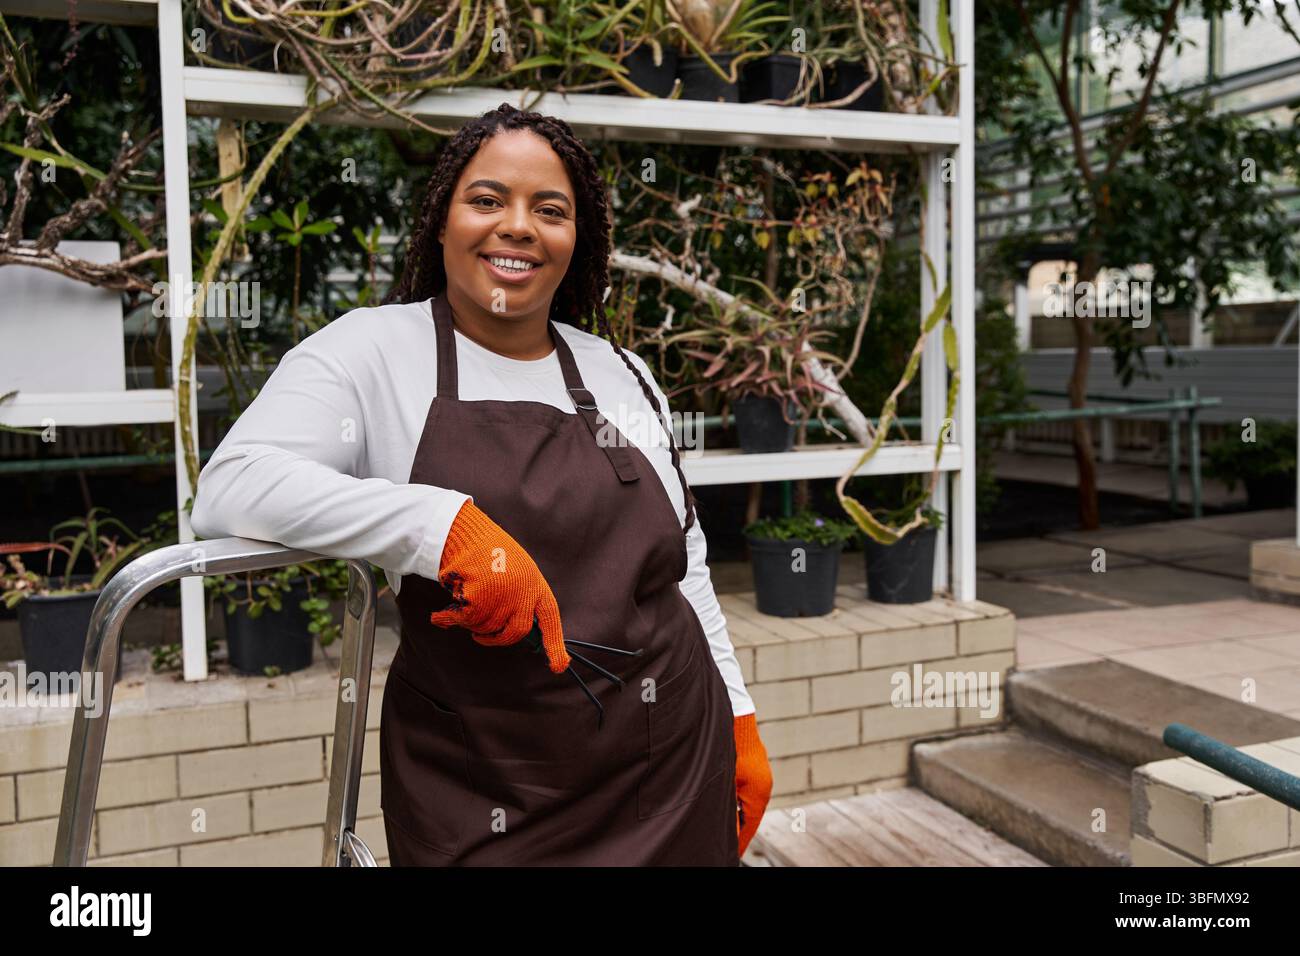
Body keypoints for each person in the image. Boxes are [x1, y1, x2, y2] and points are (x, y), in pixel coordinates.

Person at [190, 102, 773, 866]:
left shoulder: (618, 371)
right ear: (441, 221)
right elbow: (233, 485)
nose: (519, 226)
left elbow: (683, 561)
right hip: (483, 788)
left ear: (577, 238)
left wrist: (739, 716)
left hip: (667, 763)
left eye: (550, 209)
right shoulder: (372, 353)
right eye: (488, 199)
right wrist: (443, 530)